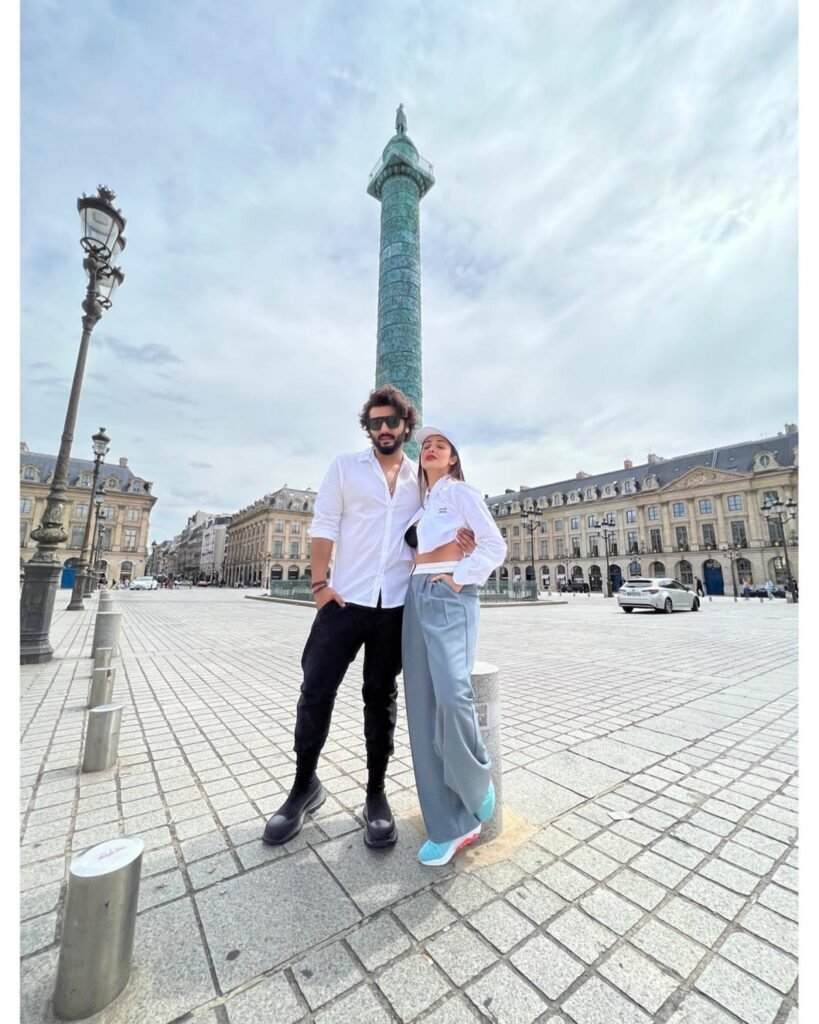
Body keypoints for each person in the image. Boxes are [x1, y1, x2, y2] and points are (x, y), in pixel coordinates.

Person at [262, 386, 473, 849]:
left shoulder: (424, 480)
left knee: (380, 699)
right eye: (375, 423)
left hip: (396, 605)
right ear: (368, 428)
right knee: (315, 692)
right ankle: (304, 786)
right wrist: (319, 586)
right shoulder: (344, 467)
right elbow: (323, 526)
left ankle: (376, 795)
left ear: (405, 427)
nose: (383, 429)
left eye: (391, 422)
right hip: (344, 601)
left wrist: (463, 541)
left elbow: (440, 524)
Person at [402, 426, 507, 866]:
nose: (430, 449)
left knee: (452, 692)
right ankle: (448, 827)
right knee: (421, 709)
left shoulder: (462, 492)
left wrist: (460, 577)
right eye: (425, 446)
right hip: (414, 593)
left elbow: (494, 545)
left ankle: (477, 783)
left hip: (448, 591)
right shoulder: (420, 505)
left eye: (439, 446)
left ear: (453, 459)